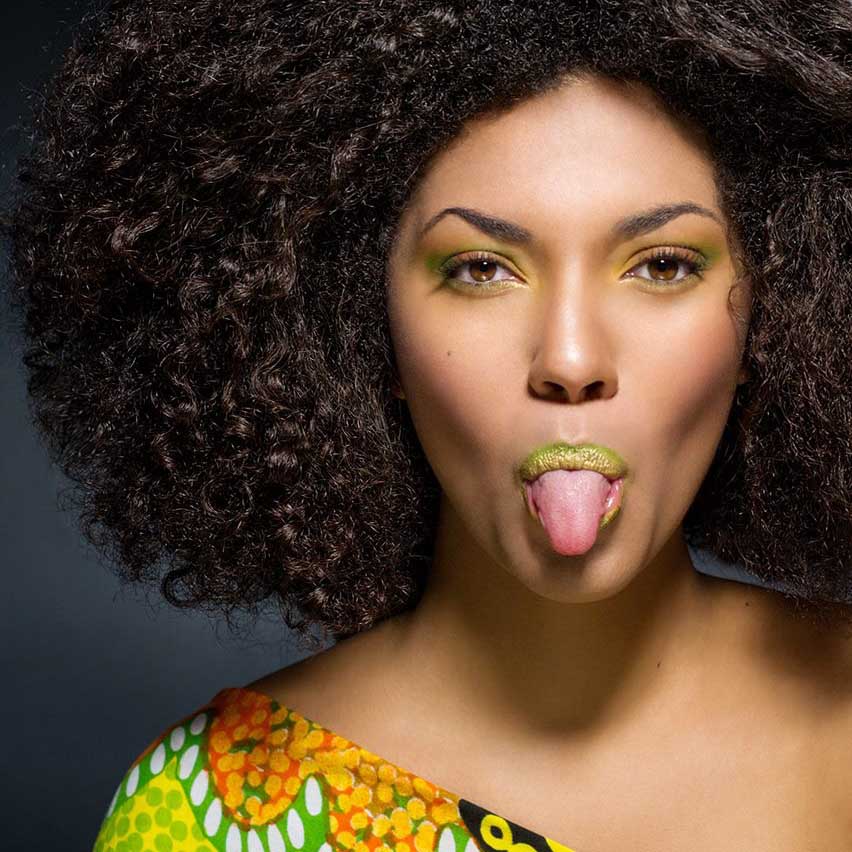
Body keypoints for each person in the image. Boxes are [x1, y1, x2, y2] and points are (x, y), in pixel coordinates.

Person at [3, 0, 851, 849]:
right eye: (481, 269)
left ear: (777, 309)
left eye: (662, 265)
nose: (570, 358)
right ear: (363, 327)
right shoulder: (208, 816)